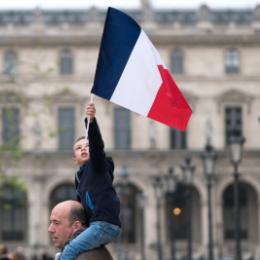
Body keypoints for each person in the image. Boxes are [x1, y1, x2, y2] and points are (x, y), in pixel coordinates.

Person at [58, 101, 121, 260]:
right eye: (79, 148)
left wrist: (91, 121)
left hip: (104, 224)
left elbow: (97, 146)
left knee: (70, 250)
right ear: (74, 158)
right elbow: (81, 206)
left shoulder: (98, 167)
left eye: (87, 146)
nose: (84, 149)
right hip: (94, 225)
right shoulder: (80, 176)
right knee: (69, 245)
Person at [48, 200, 113, 260]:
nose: (50, 229)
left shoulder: (86, 257)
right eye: (51, 222)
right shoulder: (86, 251)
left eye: (56, 223)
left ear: (76, 226)